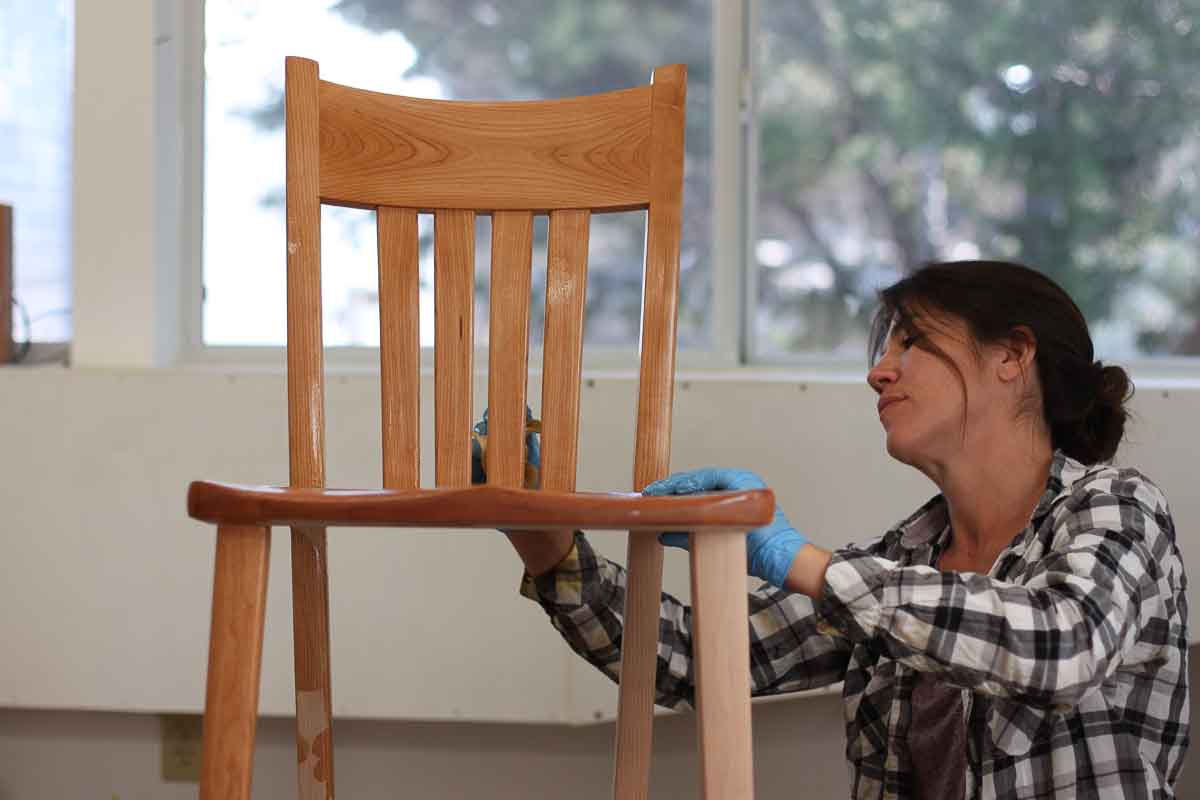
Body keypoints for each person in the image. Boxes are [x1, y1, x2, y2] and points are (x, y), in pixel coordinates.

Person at [490, 260, 1190, 799]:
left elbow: (1062, 645)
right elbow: (688, 659)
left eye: (912, 342)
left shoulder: (1117, 508)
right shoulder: (907, 557)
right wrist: (543, 535)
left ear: (1012, 355)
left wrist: (803, 564)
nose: (878, 373)